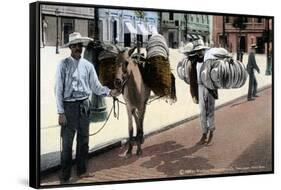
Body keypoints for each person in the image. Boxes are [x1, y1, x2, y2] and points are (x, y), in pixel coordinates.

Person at [55, 32, 120, 183]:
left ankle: (82, 171)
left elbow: (96, 87)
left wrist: (111, 92)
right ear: (70, 47)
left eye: (80, 45)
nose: (78, 48)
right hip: (69, 106)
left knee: (83, 141)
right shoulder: (63, 65)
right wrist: (60, 112)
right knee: (67, 143)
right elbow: (57, 89)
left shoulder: (88, 66)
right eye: (75, 45)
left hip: (85, 105)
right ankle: (65, 175)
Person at [188, 39, 218, 145]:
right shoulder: (194, 63)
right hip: (200, 88)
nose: (200, 52)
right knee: (202, 112)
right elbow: (192, 80)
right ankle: (204, 133)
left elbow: (216, 75)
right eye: (198, 50)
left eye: (202, 50)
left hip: (209, 88)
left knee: (210, 111)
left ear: (204, 51)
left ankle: (211, 132)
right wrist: (193, 94)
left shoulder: (210, 61)